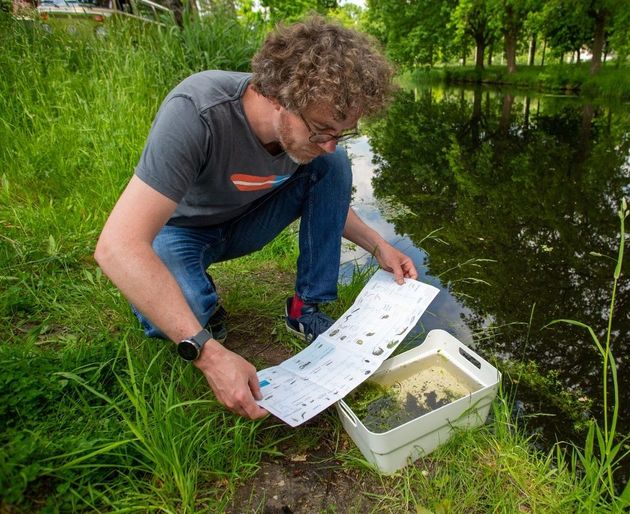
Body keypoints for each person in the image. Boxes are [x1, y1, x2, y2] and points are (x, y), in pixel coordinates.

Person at [94, 16, 417, 420]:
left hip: (244, 223)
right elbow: (117, 245)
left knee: (332, 167)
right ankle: (193, 301)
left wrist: (378, 244)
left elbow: (328, 196)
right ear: (280, 94)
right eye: (322, 130)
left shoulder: (314, 142)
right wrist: (208, 355)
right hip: (180, 232)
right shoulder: (197, 111)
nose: (331, 143)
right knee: (190, 316)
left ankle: (306, 308)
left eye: (342, 132)